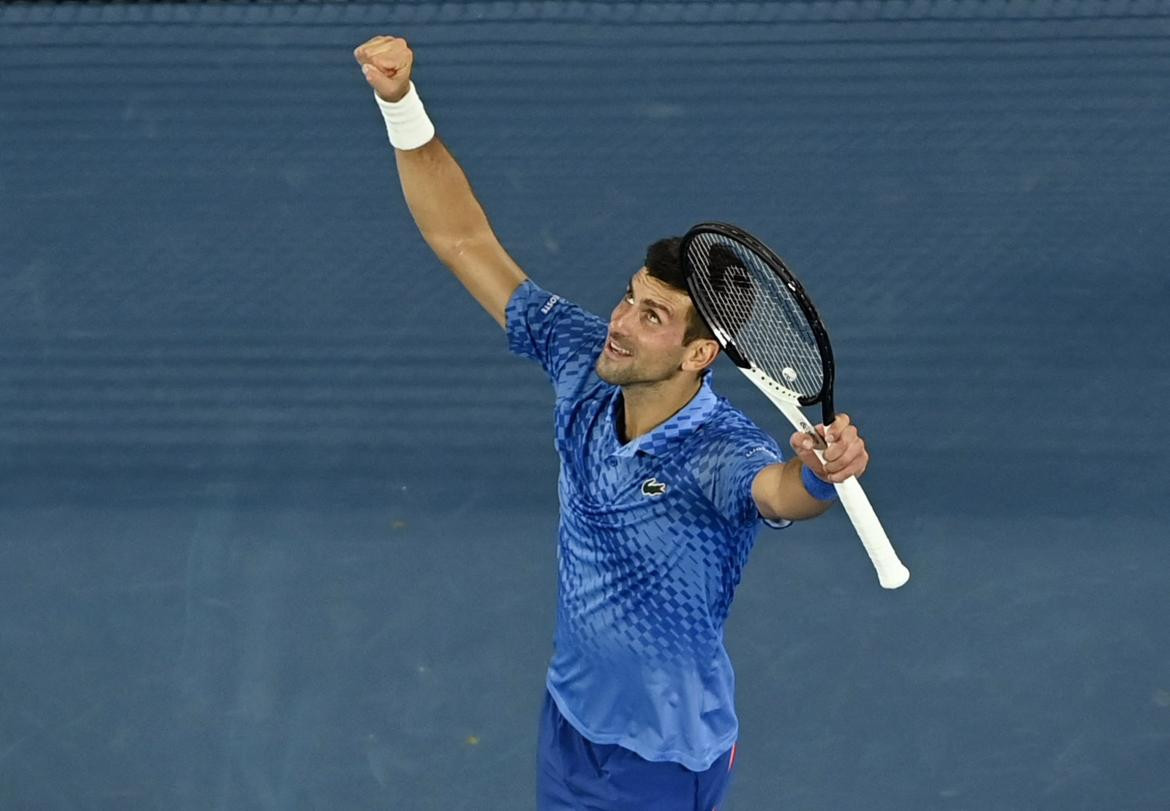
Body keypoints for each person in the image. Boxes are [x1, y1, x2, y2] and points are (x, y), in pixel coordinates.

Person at [354, 35, 871, 811]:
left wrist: (821, 474)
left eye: (652, 315)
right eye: (630, 296)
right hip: (571, 722)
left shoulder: (718, 451)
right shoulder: (582, 359)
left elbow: (776, 492)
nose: (621, 322)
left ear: (700, 352)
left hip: (658, 760)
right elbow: (463, 241)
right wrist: (401, 103)